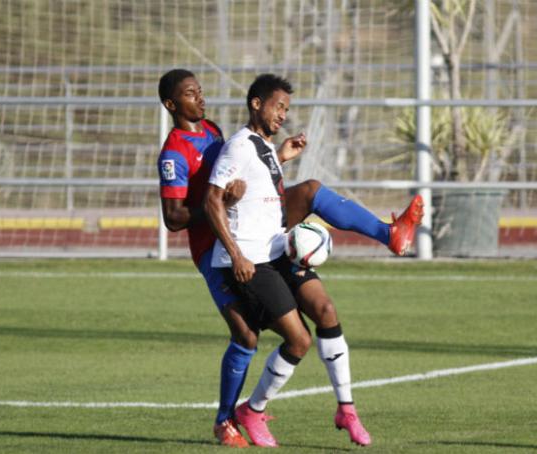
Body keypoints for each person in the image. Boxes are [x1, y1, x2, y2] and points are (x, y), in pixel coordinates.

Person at [157, 69, 423, 447]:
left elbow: (249, 173)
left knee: (311, 192)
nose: (200, 98)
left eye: (200, 91)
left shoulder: (215, 132)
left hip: (254, 230)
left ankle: (389, 234)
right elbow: (174, 218)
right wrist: (225, 211)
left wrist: (278, 157)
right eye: (189, 94)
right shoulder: (174, 153)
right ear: (171, 104)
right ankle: (225, 421)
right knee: (247, 337)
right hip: (217, 247)